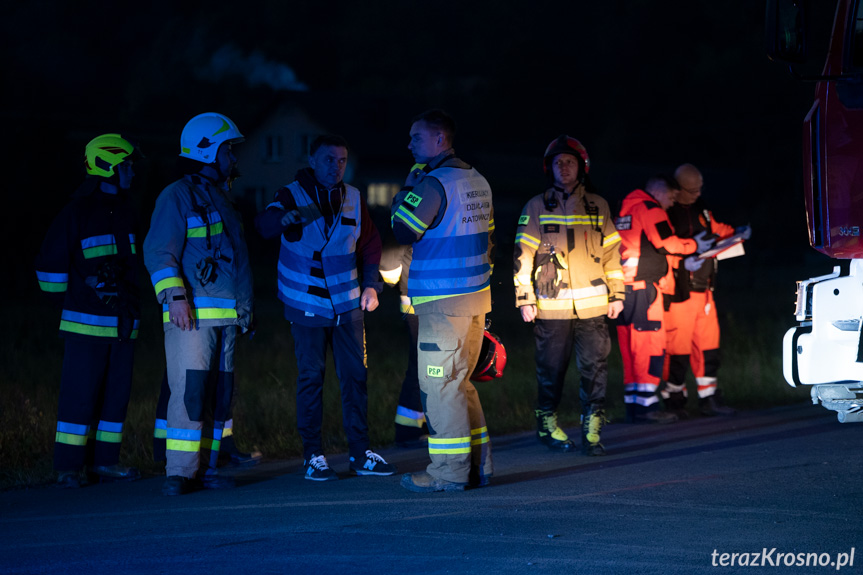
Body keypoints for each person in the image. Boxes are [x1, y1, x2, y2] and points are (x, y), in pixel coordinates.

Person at [255, 134, 396, 481]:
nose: (336, 166)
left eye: (342, 160)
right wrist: (285, 219)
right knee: (311, 378)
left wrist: (372, 286)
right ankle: (313, 456)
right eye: (329, 159)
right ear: (312, 159)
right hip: (307, 304)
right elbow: (264, 226)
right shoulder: (291, 194)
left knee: (355, 378)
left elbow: (370, 243)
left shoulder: (354, 198)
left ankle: (361, 454)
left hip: (348, 305)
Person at [143, 112, 254, 495]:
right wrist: (174, 297)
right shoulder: (176, 196)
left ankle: (206, 469)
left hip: (225, 318)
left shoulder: (221, 198)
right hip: (190, 319)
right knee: (190, 394)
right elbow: (159, 252)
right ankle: (180, 472)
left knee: (220, 396)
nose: (233, 158)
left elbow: (235, 263)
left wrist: (244, 312)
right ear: (208, 151)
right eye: (228, 150)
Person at [392, 109, 494, 492]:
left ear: (439, 140)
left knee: (439, 387)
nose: (409, 144)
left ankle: (448, 472)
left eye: (416, 137)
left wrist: (405, 192)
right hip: (474, 299)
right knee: (461, 384)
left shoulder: (433, 184)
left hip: (441, 302)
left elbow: (404, 229)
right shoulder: (478, 180)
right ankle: (479, 467)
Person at [35, 133, 142, 488]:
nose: (131, 171)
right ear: (107, 166)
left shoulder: (127, 209)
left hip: (123, 324)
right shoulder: (77, 212)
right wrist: (77, 297)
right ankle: (68, 467)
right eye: (126, 165)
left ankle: (105, 463)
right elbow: (49, 269)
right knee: (79, 398)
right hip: (86, 325)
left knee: (115, 398)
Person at [513, 135, 624, 456]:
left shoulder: (598, 205)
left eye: (570, 162)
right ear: (549, 168)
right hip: (550, 306)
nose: (564, 168)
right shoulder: (535, 206)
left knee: (595, 366)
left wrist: (617, 294)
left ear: (582, 167)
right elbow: (522, 256)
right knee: (550, 369)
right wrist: (525, 298)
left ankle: (592, 427)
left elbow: (612, 254)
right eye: (558, 163)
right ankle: (546, 422)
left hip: (594, 305)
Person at [615, 175, 713, 423]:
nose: (671, 203)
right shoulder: (651, 208)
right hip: (646, 289)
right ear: (659, 193)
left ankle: (634, 405)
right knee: (650, 348)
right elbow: (665, 242)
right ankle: (648, 408)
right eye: (670, 197)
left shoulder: (626, 209)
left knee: (630, 349)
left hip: (622, 289)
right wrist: (694, 245)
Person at [663, 163, 750, 416]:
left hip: (705, 291)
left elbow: (717, 230)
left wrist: (737, 234)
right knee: (677, 348)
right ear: (677, 190)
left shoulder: (702, 209)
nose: (697, 194)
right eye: (692, 190)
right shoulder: (667, 213)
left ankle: (709, 397)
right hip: (679, 292)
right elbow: (661, 247)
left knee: (709, 345)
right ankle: (674, 399)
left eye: (699, 189)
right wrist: (681, 263)